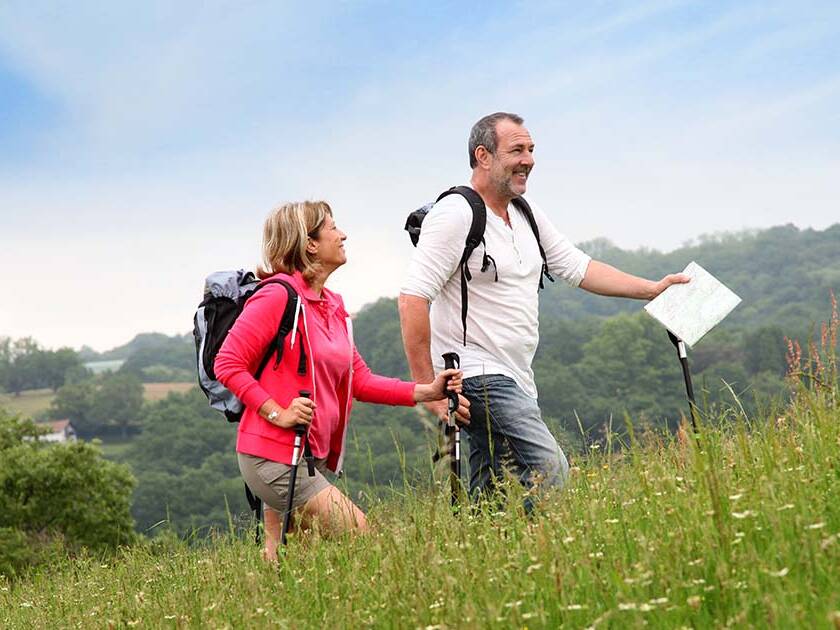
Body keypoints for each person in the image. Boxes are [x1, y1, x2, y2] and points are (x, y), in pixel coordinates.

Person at [399, 112, 688, 510]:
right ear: (483, 156)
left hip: (517, 376)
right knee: (550, 469)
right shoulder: (455, 214)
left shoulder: (525, 212)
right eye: (516, 150)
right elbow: (413, 298)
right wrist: (427, 390)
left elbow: (578, 268)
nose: (529, 160)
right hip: (477, 375)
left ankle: (493, 560)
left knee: (491, 496)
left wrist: (651, 289)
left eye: (531, 150)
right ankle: (549, 553)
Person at [215, 200, 463, 560]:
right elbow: (228, 364)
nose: (342, 234)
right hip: (272, 454)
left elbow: (358, 380)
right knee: (363, 536)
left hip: (305, 454)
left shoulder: (332, 305)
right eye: (332, 227)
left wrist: (426, 391)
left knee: (288, 558)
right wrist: (277, 413)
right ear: (309, 243)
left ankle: (263, 614)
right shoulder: (277, 296)